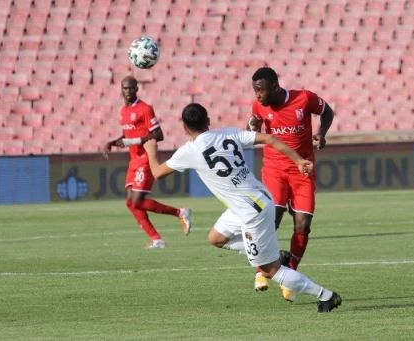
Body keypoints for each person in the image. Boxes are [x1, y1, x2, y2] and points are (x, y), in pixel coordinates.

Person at [143, 102, 342, 313]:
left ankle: (326, 295)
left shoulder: (189, 151)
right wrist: (299, 160)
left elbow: (157, 173)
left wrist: (150, 150)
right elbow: (270, 139)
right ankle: (274, 254)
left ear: (184, 128)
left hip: (251, 213)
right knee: (216, 238)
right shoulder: (228, 134)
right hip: (257, 200)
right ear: (208, 121)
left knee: (271, 270)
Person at [248, 66, 334, 301]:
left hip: (302, 170)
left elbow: (327, 111)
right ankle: (261, 270)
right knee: (271, 218)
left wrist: (321, 133)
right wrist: (252, 127)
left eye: (261, 90)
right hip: (274, 169)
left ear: (275, 87)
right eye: (255, 91)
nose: (257, 96)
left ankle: (290, 274)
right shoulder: (258, 106)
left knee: (303, 225)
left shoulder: (304, 99)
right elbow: (253, 131)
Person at [104, 75, 191, 248]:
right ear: (121, 90)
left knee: (137, 201)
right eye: (125, 88)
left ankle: (180, 212)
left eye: (131, 88)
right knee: (130, 203)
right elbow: (128, 134)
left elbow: (159, 135)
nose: (128, 91)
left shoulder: (145, 109)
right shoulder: (123, 111)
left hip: (145, 158)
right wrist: (113, 142)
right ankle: (157, 240)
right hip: (133, 160)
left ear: (137, 89)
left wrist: (133, 141)